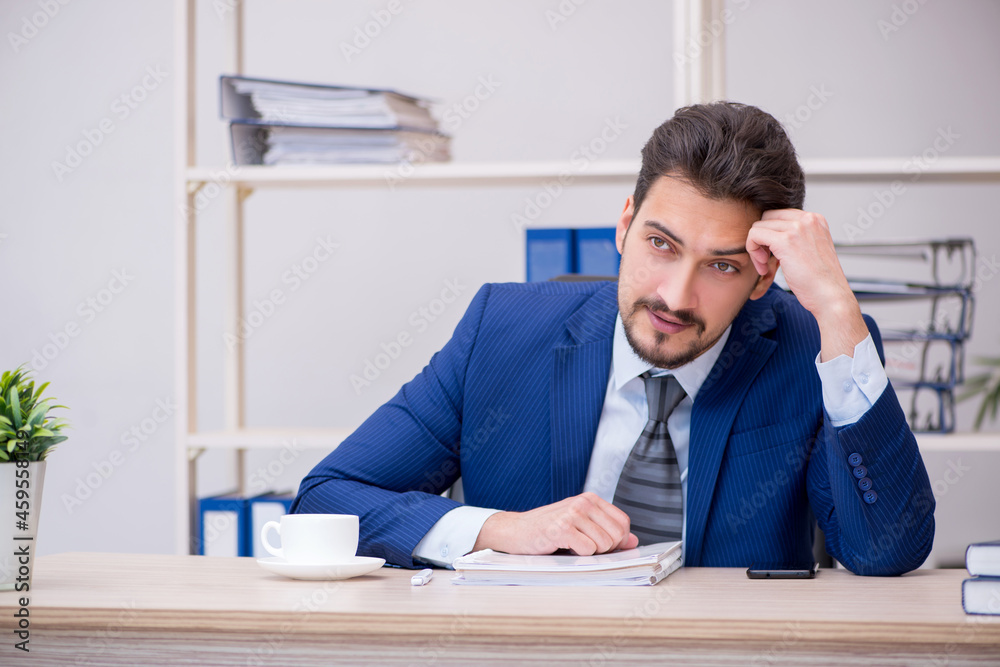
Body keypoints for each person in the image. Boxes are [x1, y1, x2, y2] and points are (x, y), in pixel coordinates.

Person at [291, 102, 935, 576]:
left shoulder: (812, 350)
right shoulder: (503, 330)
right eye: (661, 244)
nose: (676, 297)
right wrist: (501, 529)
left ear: (763, 275)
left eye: (721, 265)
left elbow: (886, 550)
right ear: (625, 225)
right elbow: (326, 500)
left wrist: (837, 307)